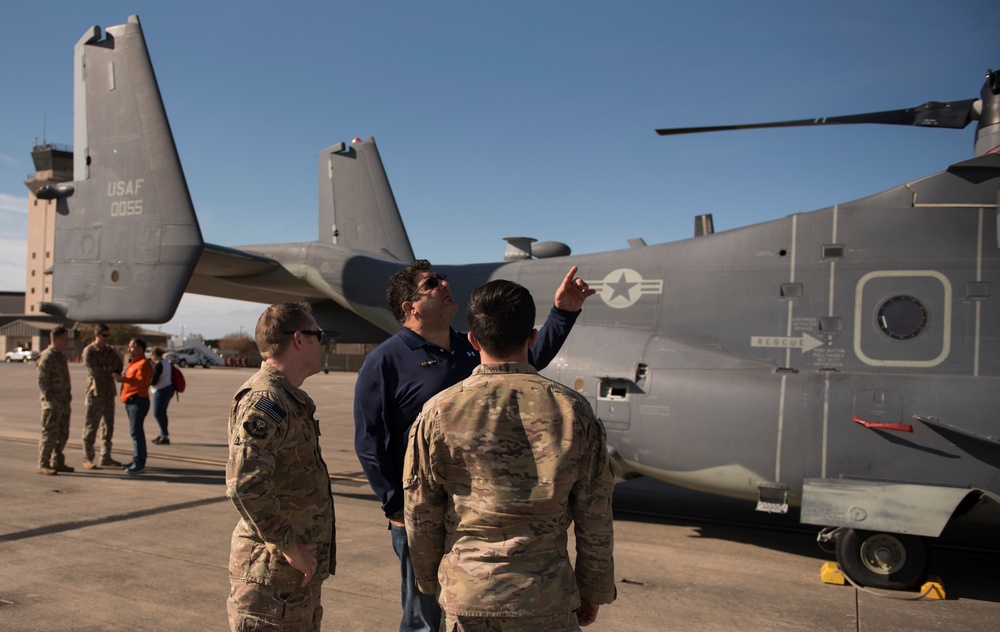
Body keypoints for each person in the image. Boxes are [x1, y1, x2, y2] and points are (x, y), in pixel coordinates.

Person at [354, 261, 594, 632]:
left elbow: (525, 356)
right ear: (409, 307)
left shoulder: (470, 349)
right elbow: (370, 442)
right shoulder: (385, 360)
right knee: (423, 618)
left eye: (442, 277)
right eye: (432, 282)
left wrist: (563, 312)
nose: (445, 283)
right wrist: (396, 508)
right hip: (422, 516)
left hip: (472, 514)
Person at [404, 280, 616, 631]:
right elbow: (596, 513)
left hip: (470, 595)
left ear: (473, 339)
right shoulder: (573, 410)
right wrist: (593, 589)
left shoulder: (439, 413)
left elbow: (421, 510)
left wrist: (430, 581)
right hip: (546, 598)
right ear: (532, 337)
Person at [226, 302, 335, 632]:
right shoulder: (268, 400)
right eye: (319, 335)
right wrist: (290, 548)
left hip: (290, 576)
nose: (323, 343)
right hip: (272, 576)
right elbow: (244, 483)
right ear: (300, 340)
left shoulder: (290, 398)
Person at [81, 323, 124, 469]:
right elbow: (94, 371)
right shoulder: (89, 351)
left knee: (108, 426)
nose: (106, 339)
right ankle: (88, 458)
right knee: (91, 427)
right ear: (96, 334)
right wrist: (108, 368)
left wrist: (106, 368)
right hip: (95, 393)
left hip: (108, 393)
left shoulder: (110, 351)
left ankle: (106, 456)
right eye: (104, 335)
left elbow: (118, 365)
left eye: (107, 336)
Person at [36, 326, 73, 475]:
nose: (67, 341)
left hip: (63, 401)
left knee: (62, 433)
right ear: (57, 339)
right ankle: (43, 463)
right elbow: (42, 380)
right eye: (65, 338)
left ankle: (57, 461)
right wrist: (50, 399)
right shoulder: (47, 356)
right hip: (52, 403)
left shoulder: (60, 356)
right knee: (49, 433)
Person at [114, 338, 152, 475]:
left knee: (136, 433)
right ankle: (136, 459)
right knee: (135, 432)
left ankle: (139, 462)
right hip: (131, 401)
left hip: (138, 401)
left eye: (131, 347)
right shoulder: (133, 364)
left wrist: (124, 379)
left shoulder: (143, 364)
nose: (129, 350)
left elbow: (142, 383)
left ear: (139, 349)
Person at [149, 347, 175, 445]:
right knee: (162, 413)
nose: (151, 357)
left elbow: (154, 381)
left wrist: (146, 382)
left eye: (151, 355)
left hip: (161, 390)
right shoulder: (166, 363)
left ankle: (164, 435)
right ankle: (162, 434)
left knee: (157, 413)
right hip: (168, 388)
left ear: (155, 355)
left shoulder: (158, 365)